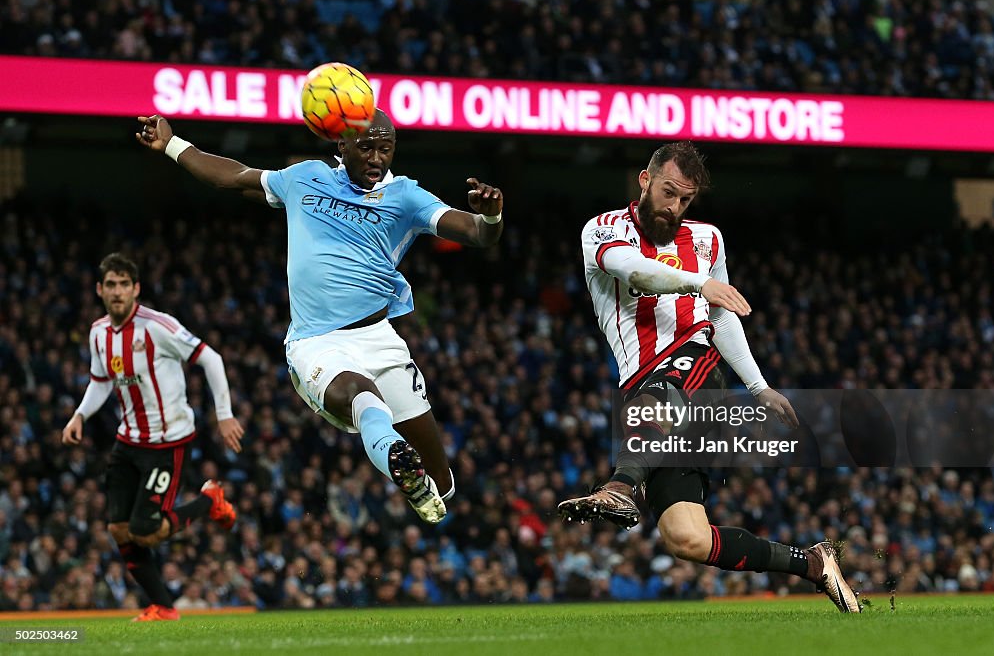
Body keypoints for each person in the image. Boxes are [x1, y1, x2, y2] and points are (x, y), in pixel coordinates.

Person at [134, 109, 504, 524]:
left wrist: (490, 214)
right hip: (316, 342)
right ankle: (397, 457)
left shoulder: (406, 196)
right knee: (361, 396)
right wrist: (171, 144)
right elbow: (232, 177)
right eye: (366, 147)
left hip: (379, 338)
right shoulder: (304, 177)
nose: (377, 158)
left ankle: (420, 481)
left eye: (386, 148)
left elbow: (475, 233)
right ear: (341, 145)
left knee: (442, 482)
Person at [557, 142, 860, 612]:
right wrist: (701, 285)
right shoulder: (603, 230)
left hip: (695, 367)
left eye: (685, 200)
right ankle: (813, 563)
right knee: (687, 539)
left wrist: (758, 386)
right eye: (668, 193)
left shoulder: (707, 239)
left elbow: (718, 318)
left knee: (670, 383)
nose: (674, 207)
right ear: (645, 180)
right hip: (645, 398)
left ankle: (620, 488)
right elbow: (636, 271)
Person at [62, 253, 245, 621]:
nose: (117, 292)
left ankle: (209, 501)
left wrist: (223, 415)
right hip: (127, 441)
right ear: (100, 290)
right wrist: (79, 414)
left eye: (124, 284)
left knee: (145, 531)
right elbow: (101, 382)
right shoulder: (99, 332)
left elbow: (211, 359)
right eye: (110, 285)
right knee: (118, 528)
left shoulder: (157, 326)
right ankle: (163, 607)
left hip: (168, 442)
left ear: (136, 289)